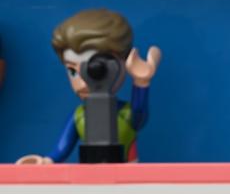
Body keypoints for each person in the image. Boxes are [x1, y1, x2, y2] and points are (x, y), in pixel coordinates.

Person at [16, 8, 160, 165]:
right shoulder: (79, 116)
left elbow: (139, 116)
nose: (84, 82)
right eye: (73, 71)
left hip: (127, 173)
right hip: (88, 175)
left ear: (122, 64)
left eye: (96, 70)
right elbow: (61, 149)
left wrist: (141, 81)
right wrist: (45, 161)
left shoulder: (125, 113)